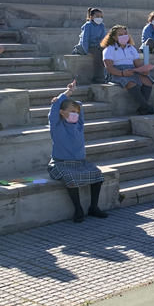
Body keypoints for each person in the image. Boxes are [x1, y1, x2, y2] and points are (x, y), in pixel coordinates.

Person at [47, 80, 109, 223]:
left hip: (80, 162)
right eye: (72, 112)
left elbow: (79, 105)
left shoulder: (79, 124)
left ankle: (94, 207)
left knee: (97, 174)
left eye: (77, 113)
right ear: (61, 113)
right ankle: (78, 209)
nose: (76, 114)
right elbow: (56, 107)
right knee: (70, 178)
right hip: (60, 163)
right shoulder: (57, 125)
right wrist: (66, 94)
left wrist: (71, 102)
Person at [101, 25, 154, 115]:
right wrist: (122, 73)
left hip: (132, 70)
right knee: (130, 83)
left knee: (147, 81)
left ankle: (142, 108)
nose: (124, 36)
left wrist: (143, 70)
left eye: (125, 34)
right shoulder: (109, 49)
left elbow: (137, 64)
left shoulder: (131, 48)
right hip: (116, 72)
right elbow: (109, 67)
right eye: (120, 34)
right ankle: (147, 106)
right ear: (114, 37)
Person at [73, 7, 106, 84]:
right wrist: (87, 51)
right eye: (97, 16)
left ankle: (106, 75)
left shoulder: (102, 26)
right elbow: (85, 39)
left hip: (97, 45)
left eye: (101, 17)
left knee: (105, 54)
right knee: (97, 54)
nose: (99, 18)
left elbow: (103, 38)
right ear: (91, 17)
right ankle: (96, 77)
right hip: (88, 45)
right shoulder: (88, 25)